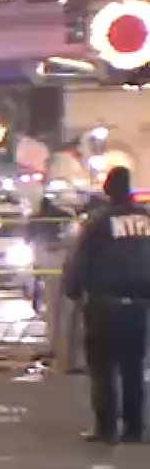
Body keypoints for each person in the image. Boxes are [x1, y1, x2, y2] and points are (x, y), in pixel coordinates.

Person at [62, 166, 150, 443]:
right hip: (137, 304)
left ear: (108, 190)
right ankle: (134, 428)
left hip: (104, 304)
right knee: (133, 368)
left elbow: (80, 258)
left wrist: (73, 290)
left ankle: (106, 427)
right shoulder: (145, 219)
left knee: (102, 369)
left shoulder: (99, 221)